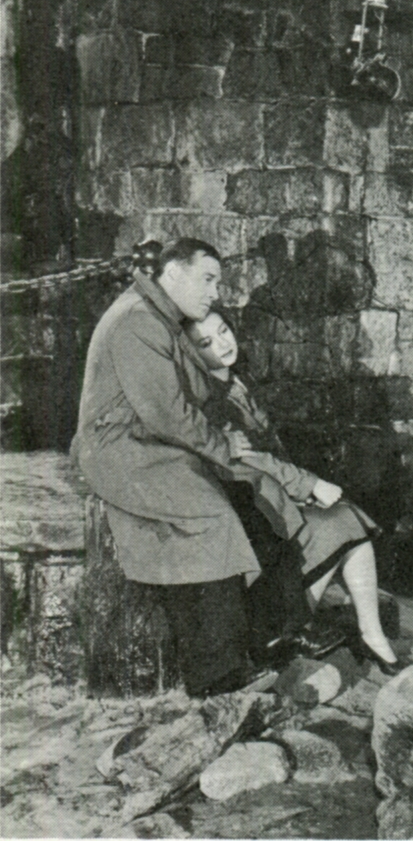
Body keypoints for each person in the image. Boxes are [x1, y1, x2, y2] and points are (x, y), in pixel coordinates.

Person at [72, 238, 263, 697]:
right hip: (119, 447)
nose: (215, 292)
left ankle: (249, 647)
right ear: (173, 274)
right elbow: (166, 411)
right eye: (208, 279)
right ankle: (216, 673)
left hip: (146, 441)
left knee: (241, 496)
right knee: (212, 517)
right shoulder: (138, 321)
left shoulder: (158, 315)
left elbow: (188, 394)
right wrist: (223, 446)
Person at [185, 308, 407, 674]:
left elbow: (270, 449)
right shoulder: (210, 399)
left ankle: (371, 634)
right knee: (339, 522)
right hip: (255, 508)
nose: (222, 344)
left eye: (224, 331)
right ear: (191, 354)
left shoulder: (237, 381)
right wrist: (306, 484)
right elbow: (251, 458)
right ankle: (288, 634)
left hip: (275, 495)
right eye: (205, 343)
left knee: (347, 519)